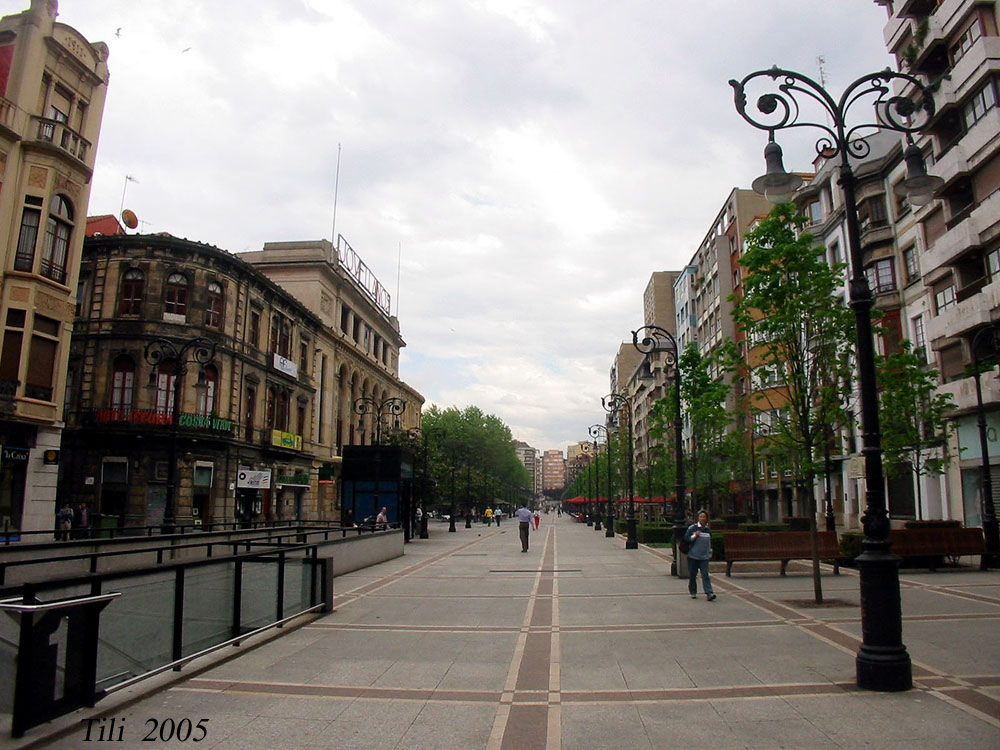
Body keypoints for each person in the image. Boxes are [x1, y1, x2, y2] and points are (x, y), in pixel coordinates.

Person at [684, 509, 716, 601]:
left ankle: (709, 592)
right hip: (693, 556)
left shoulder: (708, 530)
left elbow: (710, 542)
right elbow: (686, 539)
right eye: (701, 517)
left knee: (705, 574)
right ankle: (693, 591)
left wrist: (710, 552)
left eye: (704, 517)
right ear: (698, 518)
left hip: (704, 557)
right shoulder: (692, 528)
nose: (702, 518)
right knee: (693, 575)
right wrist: (695, 536)